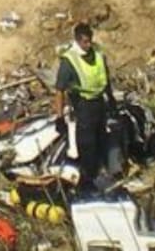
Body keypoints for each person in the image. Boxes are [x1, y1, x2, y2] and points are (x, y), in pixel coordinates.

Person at [54, 23, 116, 195]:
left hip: (99, 104)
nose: (88, 45)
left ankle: (99, 176)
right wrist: (59, 117)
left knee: (101, 141)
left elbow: (105, 77)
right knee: (86, 145)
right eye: (85, 42)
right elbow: (59, 90)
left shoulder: (97, 53)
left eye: (90, 41)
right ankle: (85, 184)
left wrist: (111, 100)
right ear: (77, 40)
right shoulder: (69, 61)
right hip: (82, 106)